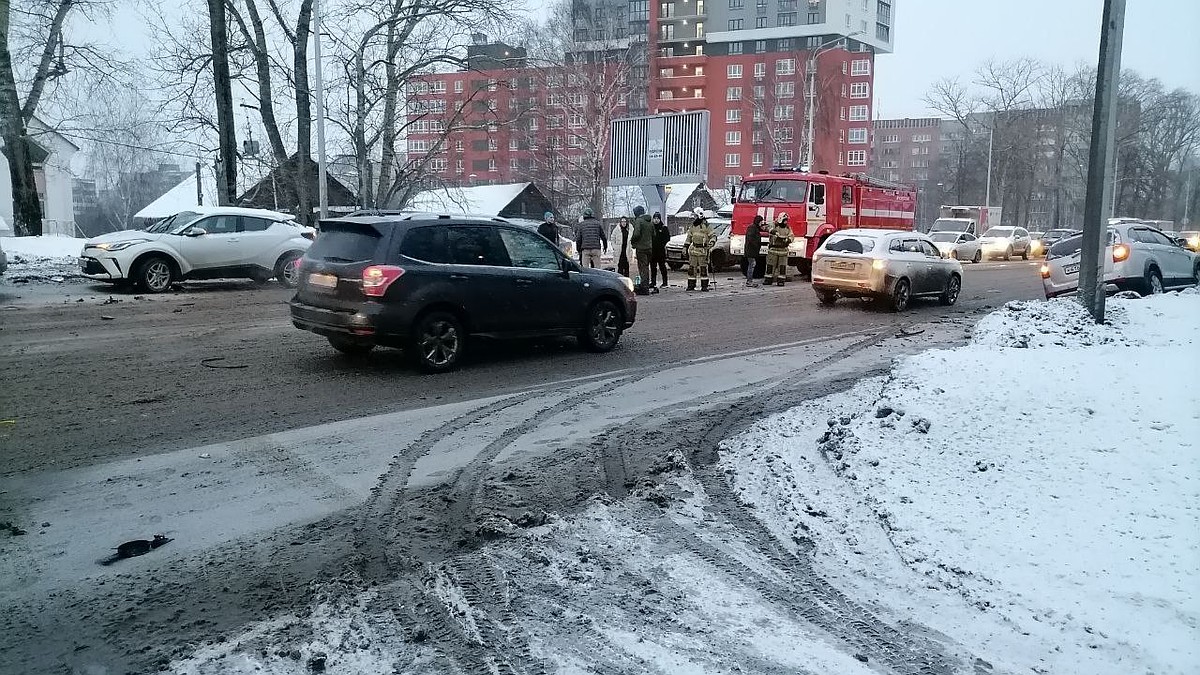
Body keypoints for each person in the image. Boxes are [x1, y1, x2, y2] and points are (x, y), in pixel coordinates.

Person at [684, 211, 716, 292]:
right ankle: (691, 285)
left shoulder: (706, 226)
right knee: (691, 268)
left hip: (703, 250)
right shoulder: (693, 226)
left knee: (703, 269)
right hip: (694, 250)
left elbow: (713, 235)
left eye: (695, 216)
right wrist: (685, 247)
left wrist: (712, 242)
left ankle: (704, 286)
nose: (694, 218)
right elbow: (689, 237)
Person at [764, 212, 795, 287]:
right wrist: (772, 231)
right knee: (770, 266)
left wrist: (788, 240)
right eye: (785, 220)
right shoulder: (774, 225)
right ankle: (768, 279)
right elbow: (766, 227)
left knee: (782, 267)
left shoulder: (788, 228)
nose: (786, 222)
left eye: (786, 220)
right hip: (773, 250)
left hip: (783, 251)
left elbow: (791, 236)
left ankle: (781, 281)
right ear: (781, 219)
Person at [630, 206, 654, 295]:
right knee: (646, 267)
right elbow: (653, 234)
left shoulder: (639, 221)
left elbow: (636, 234)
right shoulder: (650, 222)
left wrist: (633, 241)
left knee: (642, 268)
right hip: (649, 248)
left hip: (641, 248)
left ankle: (644, 288)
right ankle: (646, 285)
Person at [650, 212, 671, 292]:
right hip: (653, 251)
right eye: (654, 218)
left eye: (657, 218)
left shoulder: (663, 228)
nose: (656, 220)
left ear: (660, 219)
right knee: (653, 267)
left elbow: (667, 238)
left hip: (661, 251)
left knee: (662, 267)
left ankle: (665, 282)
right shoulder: (651, 228)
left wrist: (662, 244)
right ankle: (653, 282)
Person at [744, 214, 765, 287]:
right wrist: (756, 245)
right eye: (761, 222)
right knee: (751, 265)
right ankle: (749, 281)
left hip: (752, 250)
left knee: (752, 264)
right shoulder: (752, 228)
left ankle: (749, 280)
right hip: (751, 250)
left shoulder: (755, 228)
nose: (761, 223)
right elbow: (750, 239)